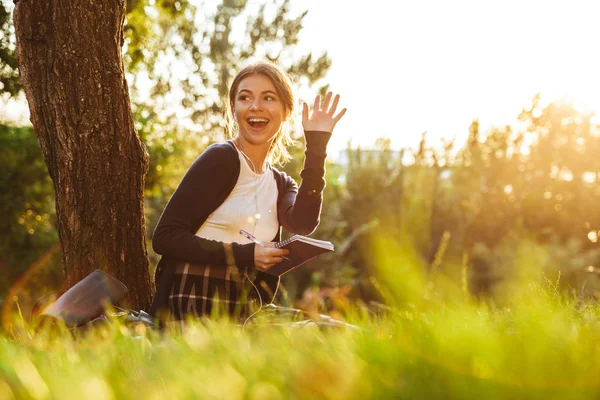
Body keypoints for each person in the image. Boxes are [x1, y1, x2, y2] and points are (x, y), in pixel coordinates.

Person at [149, 60, 346, 323]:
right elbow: (165, 238)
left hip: (250, 303)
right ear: (234, 110)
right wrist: (247, 255)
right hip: (197, 299)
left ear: (287, 111)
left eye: (268, 97)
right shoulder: (221, 159)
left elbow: (304, 223)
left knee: (333, 331)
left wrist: (317, 144)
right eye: (245, 97)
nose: (255, 106)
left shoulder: (280, 182)